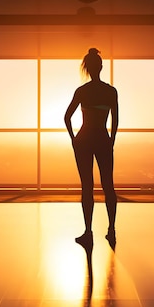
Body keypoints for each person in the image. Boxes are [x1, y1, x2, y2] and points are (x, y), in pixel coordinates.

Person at [64, 48, 118, 247]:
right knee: (108, 185)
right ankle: (111, 229)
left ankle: (88, 231)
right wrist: (110, 140)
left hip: (84, 139)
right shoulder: (110, 91)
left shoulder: (82, 91)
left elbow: (67, 117)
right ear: (101, 67)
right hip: (103, 138)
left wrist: (73, 139)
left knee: (87, 187)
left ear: (87, 68)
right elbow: (116, 119)